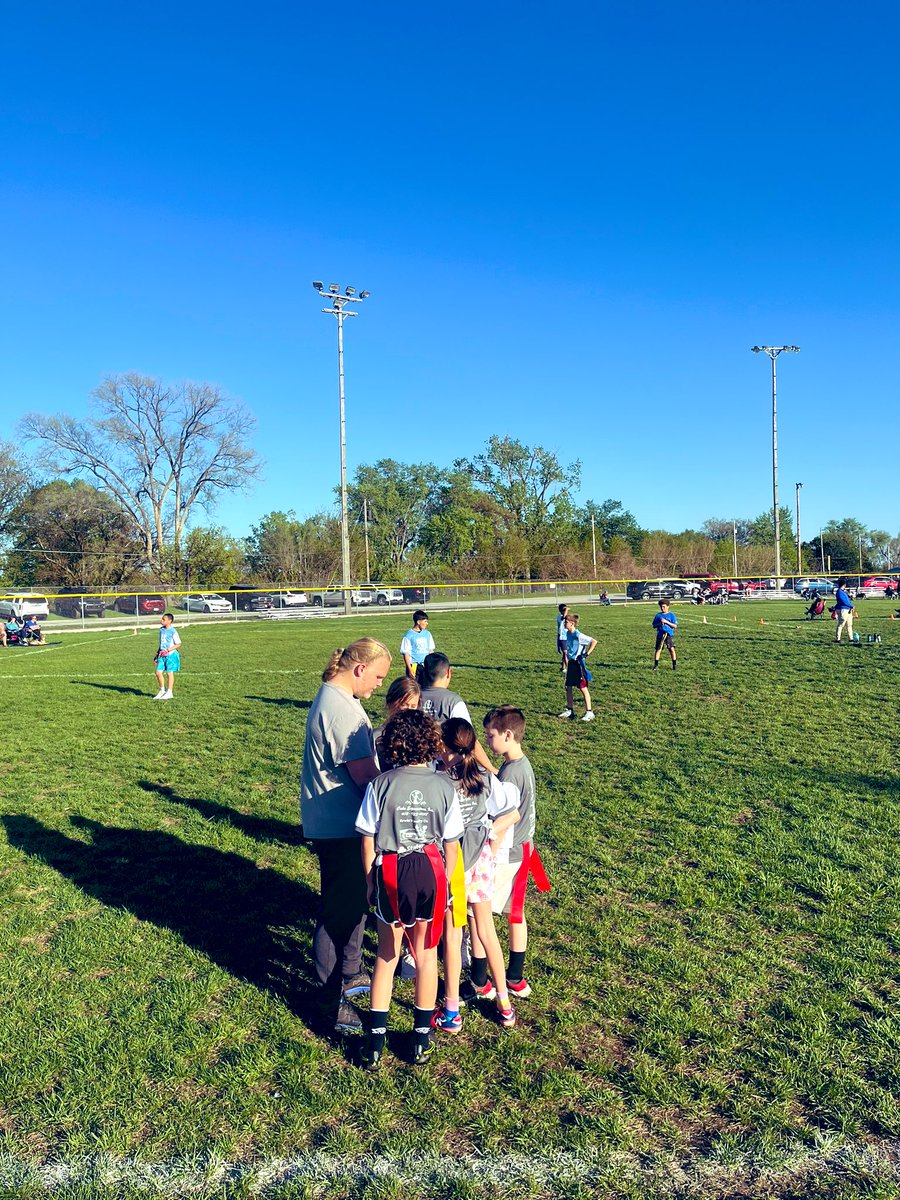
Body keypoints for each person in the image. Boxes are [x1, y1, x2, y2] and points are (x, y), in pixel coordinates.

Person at [355, 709, 463, 1069]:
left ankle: (375, 1042)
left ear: (393, 744)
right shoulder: (445, 785)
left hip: (390, 871)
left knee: (387, 954)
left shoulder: (380, 784)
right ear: (431, 742)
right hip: (430, 873)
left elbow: (368, 838)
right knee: (425, 954)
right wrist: (451, 889)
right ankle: (420, 1038)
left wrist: (369, 880)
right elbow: (451, 845)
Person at [300, 638, 391, 1033]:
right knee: (338, 911)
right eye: (378, 677)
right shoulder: (340, 709)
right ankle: (328, 998)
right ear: (359, 669)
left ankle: (351, 973)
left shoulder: (340, 698)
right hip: (340, 827)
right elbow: (365, 777)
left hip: (338, 822)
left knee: (354, 903)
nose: (378, 686)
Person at [432, 717, 520, 1035]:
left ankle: (452, 1011)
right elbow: (512, 810)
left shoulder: (440, 781)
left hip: (455, 866)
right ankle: (505, 1004)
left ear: (444, 746)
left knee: (453, 937)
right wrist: (490, 833)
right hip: (482, 861)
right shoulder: (484, 775)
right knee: (487, 930)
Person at [477, 705, 548, 1002]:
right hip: (524, 849)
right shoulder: (522, 765)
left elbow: (506, 818)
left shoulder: (509, 775)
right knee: (515, 913)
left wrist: (489, 853)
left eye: (490, 736)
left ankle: (480, 981)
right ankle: (515, 977)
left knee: (481, 916)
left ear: (508, 735)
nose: (487, 741)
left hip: (507, 854)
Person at [558, 614, 597, 722]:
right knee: (568, 686)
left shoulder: (578, 635)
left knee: (583, 688)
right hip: (571, 663)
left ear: (572, 623)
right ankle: (570, 710)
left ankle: (589, 712)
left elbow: (594, 641)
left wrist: (585, 654)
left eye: (566, 622)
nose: (564, 623)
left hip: (578, 664)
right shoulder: (567, 633)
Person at [153, 613, 182, 699]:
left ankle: (169, 692)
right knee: (158, 672)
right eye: (162, 619)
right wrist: (157, 653)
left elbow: (178, 644)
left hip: (171, 655)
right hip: (162, 655)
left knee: (169, 673)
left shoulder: (173, 631)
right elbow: (161, 643)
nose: (161, 621)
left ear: (169, 621)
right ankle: (162, 691)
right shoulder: (161, 630)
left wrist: (168, 650)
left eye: (163, 619)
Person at [400, 611, 435, 680]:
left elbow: (430, 650)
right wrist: (410, 669)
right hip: (414, 666)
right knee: (414, 687)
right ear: (418, 622)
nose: (426, 623)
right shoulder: (408, 635)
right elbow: (406, 654)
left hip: (425, 665)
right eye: (425, 621)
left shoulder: (427, 634)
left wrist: (432, 664)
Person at [652, 599, 677, 671]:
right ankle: (656, 665)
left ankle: (674, 665)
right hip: (660, 634)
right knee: (658, 649)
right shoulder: (658, 615)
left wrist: (666, 622)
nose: (662, 608)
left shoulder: (671, 615)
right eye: (661, 607)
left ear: (668, 606)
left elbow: (675, 626)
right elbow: (654, 625)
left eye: (664, 607)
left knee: (671, 649)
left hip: (668, 634)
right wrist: (660, 623)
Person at [556, 603, 569, 668]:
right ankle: (569, 668)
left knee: (565, 653)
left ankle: (563, 667)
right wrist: (566, 610)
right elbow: (563, 617)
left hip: (567, 637)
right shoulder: (559, 617)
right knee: (565, 653)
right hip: (562, 637)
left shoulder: (566, 616)